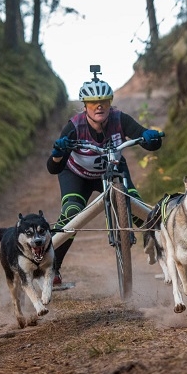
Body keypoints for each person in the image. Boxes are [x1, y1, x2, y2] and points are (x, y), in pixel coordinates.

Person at [46, 69, 163, 286]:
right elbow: (53, 168)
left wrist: (150, 137)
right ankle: (52, 268)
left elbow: (149, 141)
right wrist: (58, 154)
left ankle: (170, 258)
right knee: (71, 213)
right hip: (77, 175)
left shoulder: (120, 119)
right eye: (93, 102)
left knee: (137, 208)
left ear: (110, 103)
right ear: (85, 106)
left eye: (104, 101)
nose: (99, 106)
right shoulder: (74, 126)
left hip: (114, 169)